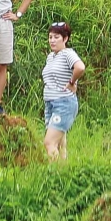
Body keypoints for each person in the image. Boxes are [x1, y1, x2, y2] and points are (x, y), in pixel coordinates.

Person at [41, 21, 85, 161]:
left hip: (63, 103)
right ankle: (63, 173)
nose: (52, 41)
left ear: (65, 39)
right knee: (60, 144)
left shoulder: (67, 53)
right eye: (50, 37)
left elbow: (80, 67)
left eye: (56, 37)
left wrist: (72, 82)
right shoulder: (51, 57)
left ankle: (54, 175)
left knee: (49, 143)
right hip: (51, 103)